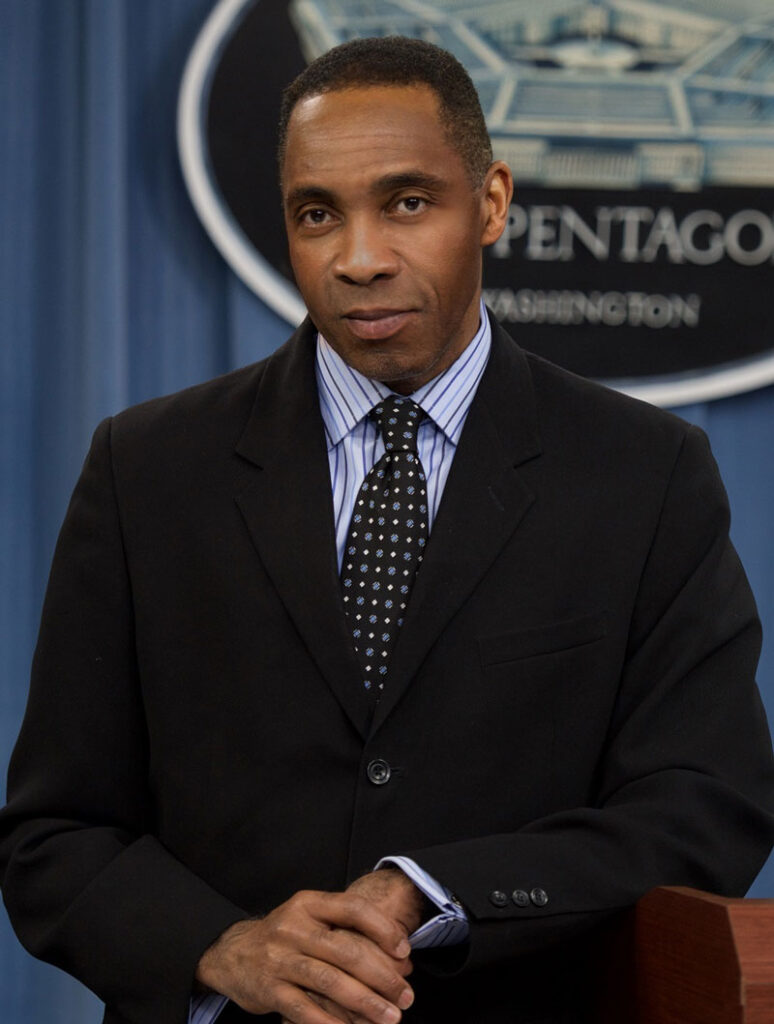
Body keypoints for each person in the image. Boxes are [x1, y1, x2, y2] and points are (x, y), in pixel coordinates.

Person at [1, 35, 773, 1024]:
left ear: (491, 202)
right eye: (317, 214)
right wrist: (222, 948)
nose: (360, 259)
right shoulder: (146, 469)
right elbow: (54, 834)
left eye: (407, 202)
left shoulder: (646, 473)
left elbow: (704, 805)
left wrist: (430, 890)